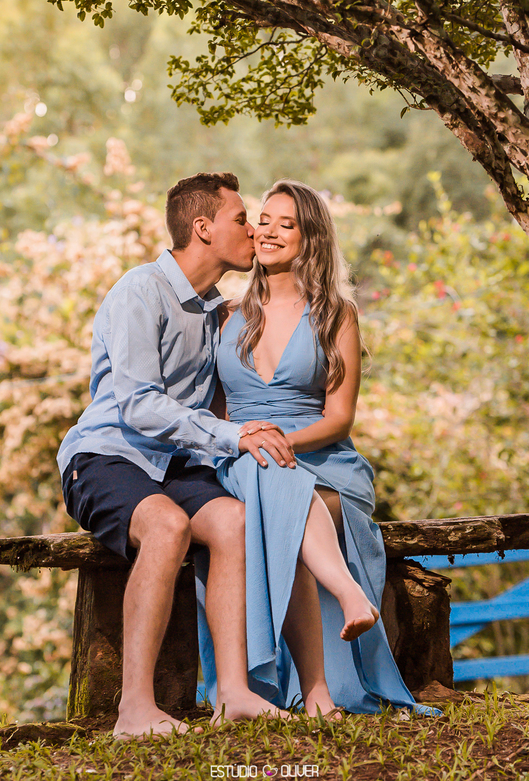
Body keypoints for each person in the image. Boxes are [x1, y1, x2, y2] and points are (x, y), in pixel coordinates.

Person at [57, 172, 296, 738]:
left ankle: (233, 693)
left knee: (232, 520)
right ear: (203, 227)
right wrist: (230, 437)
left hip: (173, 463)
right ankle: (133, 710)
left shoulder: (216, 312)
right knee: (167, 527)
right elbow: (138, 406)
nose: (254, 228)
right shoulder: (140, 291)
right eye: (242, 219)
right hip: (106, 454)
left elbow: (218, 403)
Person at [196, 179, 428, 717]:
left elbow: (340, 416)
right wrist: (247, 442)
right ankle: (342, 611)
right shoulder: (225, 315)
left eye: (288, 223)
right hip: (242, 458)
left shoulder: (336, 314)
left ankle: (315, 686)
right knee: (268, 477)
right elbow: (215, 411)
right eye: (265, 219)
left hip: (322, 458)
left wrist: (276, 441)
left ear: (311, 238)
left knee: (277, 480)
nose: (271, 231)